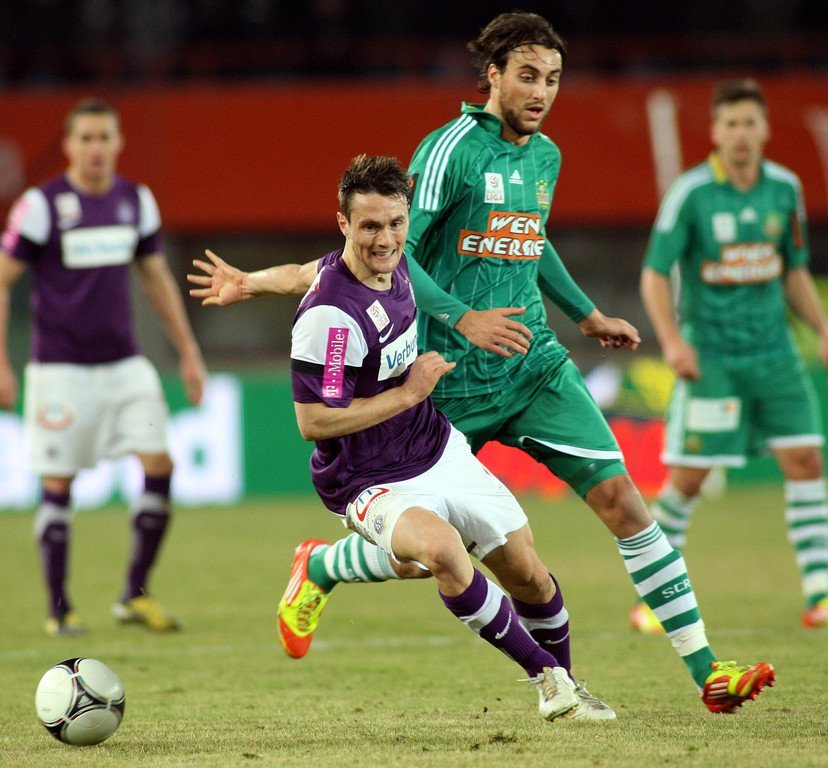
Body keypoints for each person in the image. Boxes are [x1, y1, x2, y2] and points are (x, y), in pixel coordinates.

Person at [189, 13, 775, 714]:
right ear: (492, 76)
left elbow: (532, 240)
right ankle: (321, 564)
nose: (541, 91)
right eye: (527, 75)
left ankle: (708, 672)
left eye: (552, 78)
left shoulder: (546, 157)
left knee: (623, 503)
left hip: (534, 366)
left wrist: (585, 314)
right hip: (446, 380)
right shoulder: (449, 152)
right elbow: (393, 251)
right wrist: (462, 318)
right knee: (426, 555)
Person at [268, 153, 616, 721]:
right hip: (367, 478)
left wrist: (247, 283)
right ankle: (550, 680)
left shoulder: (394, 261)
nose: (385, 239)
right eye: (370, 226)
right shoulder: (330, 318)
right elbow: (314, 421)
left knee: (527, 573)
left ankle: (320, 566)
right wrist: (409, 393)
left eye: (396, 223)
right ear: (343, 223)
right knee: (442, 553)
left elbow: (300, 271)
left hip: (434, 448)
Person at [0, 98, 206, 636]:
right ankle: (59, 608)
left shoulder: (135, 201)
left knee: (160, 463)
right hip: (60, 369)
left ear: (119, 143)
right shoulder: (41, 205)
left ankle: (135, 594)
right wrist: (1, 361)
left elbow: (155, 276)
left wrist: (188, 351)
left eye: (104, 137)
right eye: (86, 138)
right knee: (58, 481)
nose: (96, 148)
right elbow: (2, 278)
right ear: (69, 146)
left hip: (125, 366)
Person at [630, 78, 828, 634]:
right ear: (716, 132)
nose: (741, 133)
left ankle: (821, 592)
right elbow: (654, 274)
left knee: (806, 461)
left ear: (765, 129)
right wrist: (673, 342)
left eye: (750, 122)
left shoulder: (784, 189)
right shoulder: (692, 193)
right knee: (690, 477)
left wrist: (821, 328)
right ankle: (655, 597)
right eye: (731, 123)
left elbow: (792, 270)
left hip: (776, 355)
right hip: (712, 357)